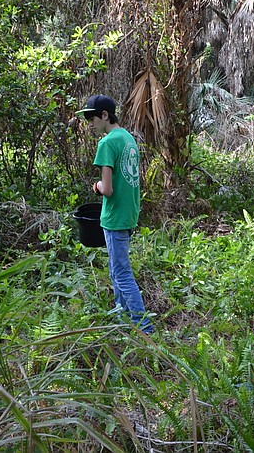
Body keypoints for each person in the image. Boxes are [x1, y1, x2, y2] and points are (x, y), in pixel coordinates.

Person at [76, 95, 153, 334]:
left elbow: (107, 189)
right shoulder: (128, 138)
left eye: (92, 118)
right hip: (129, 212)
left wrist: (97, 186)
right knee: (115, 268)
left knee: (121, 272)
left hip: (115, 216)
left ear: (105, 115)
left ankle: (144, 327)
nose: (90, 123)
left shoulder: (107, 143)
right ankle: (122, 315)